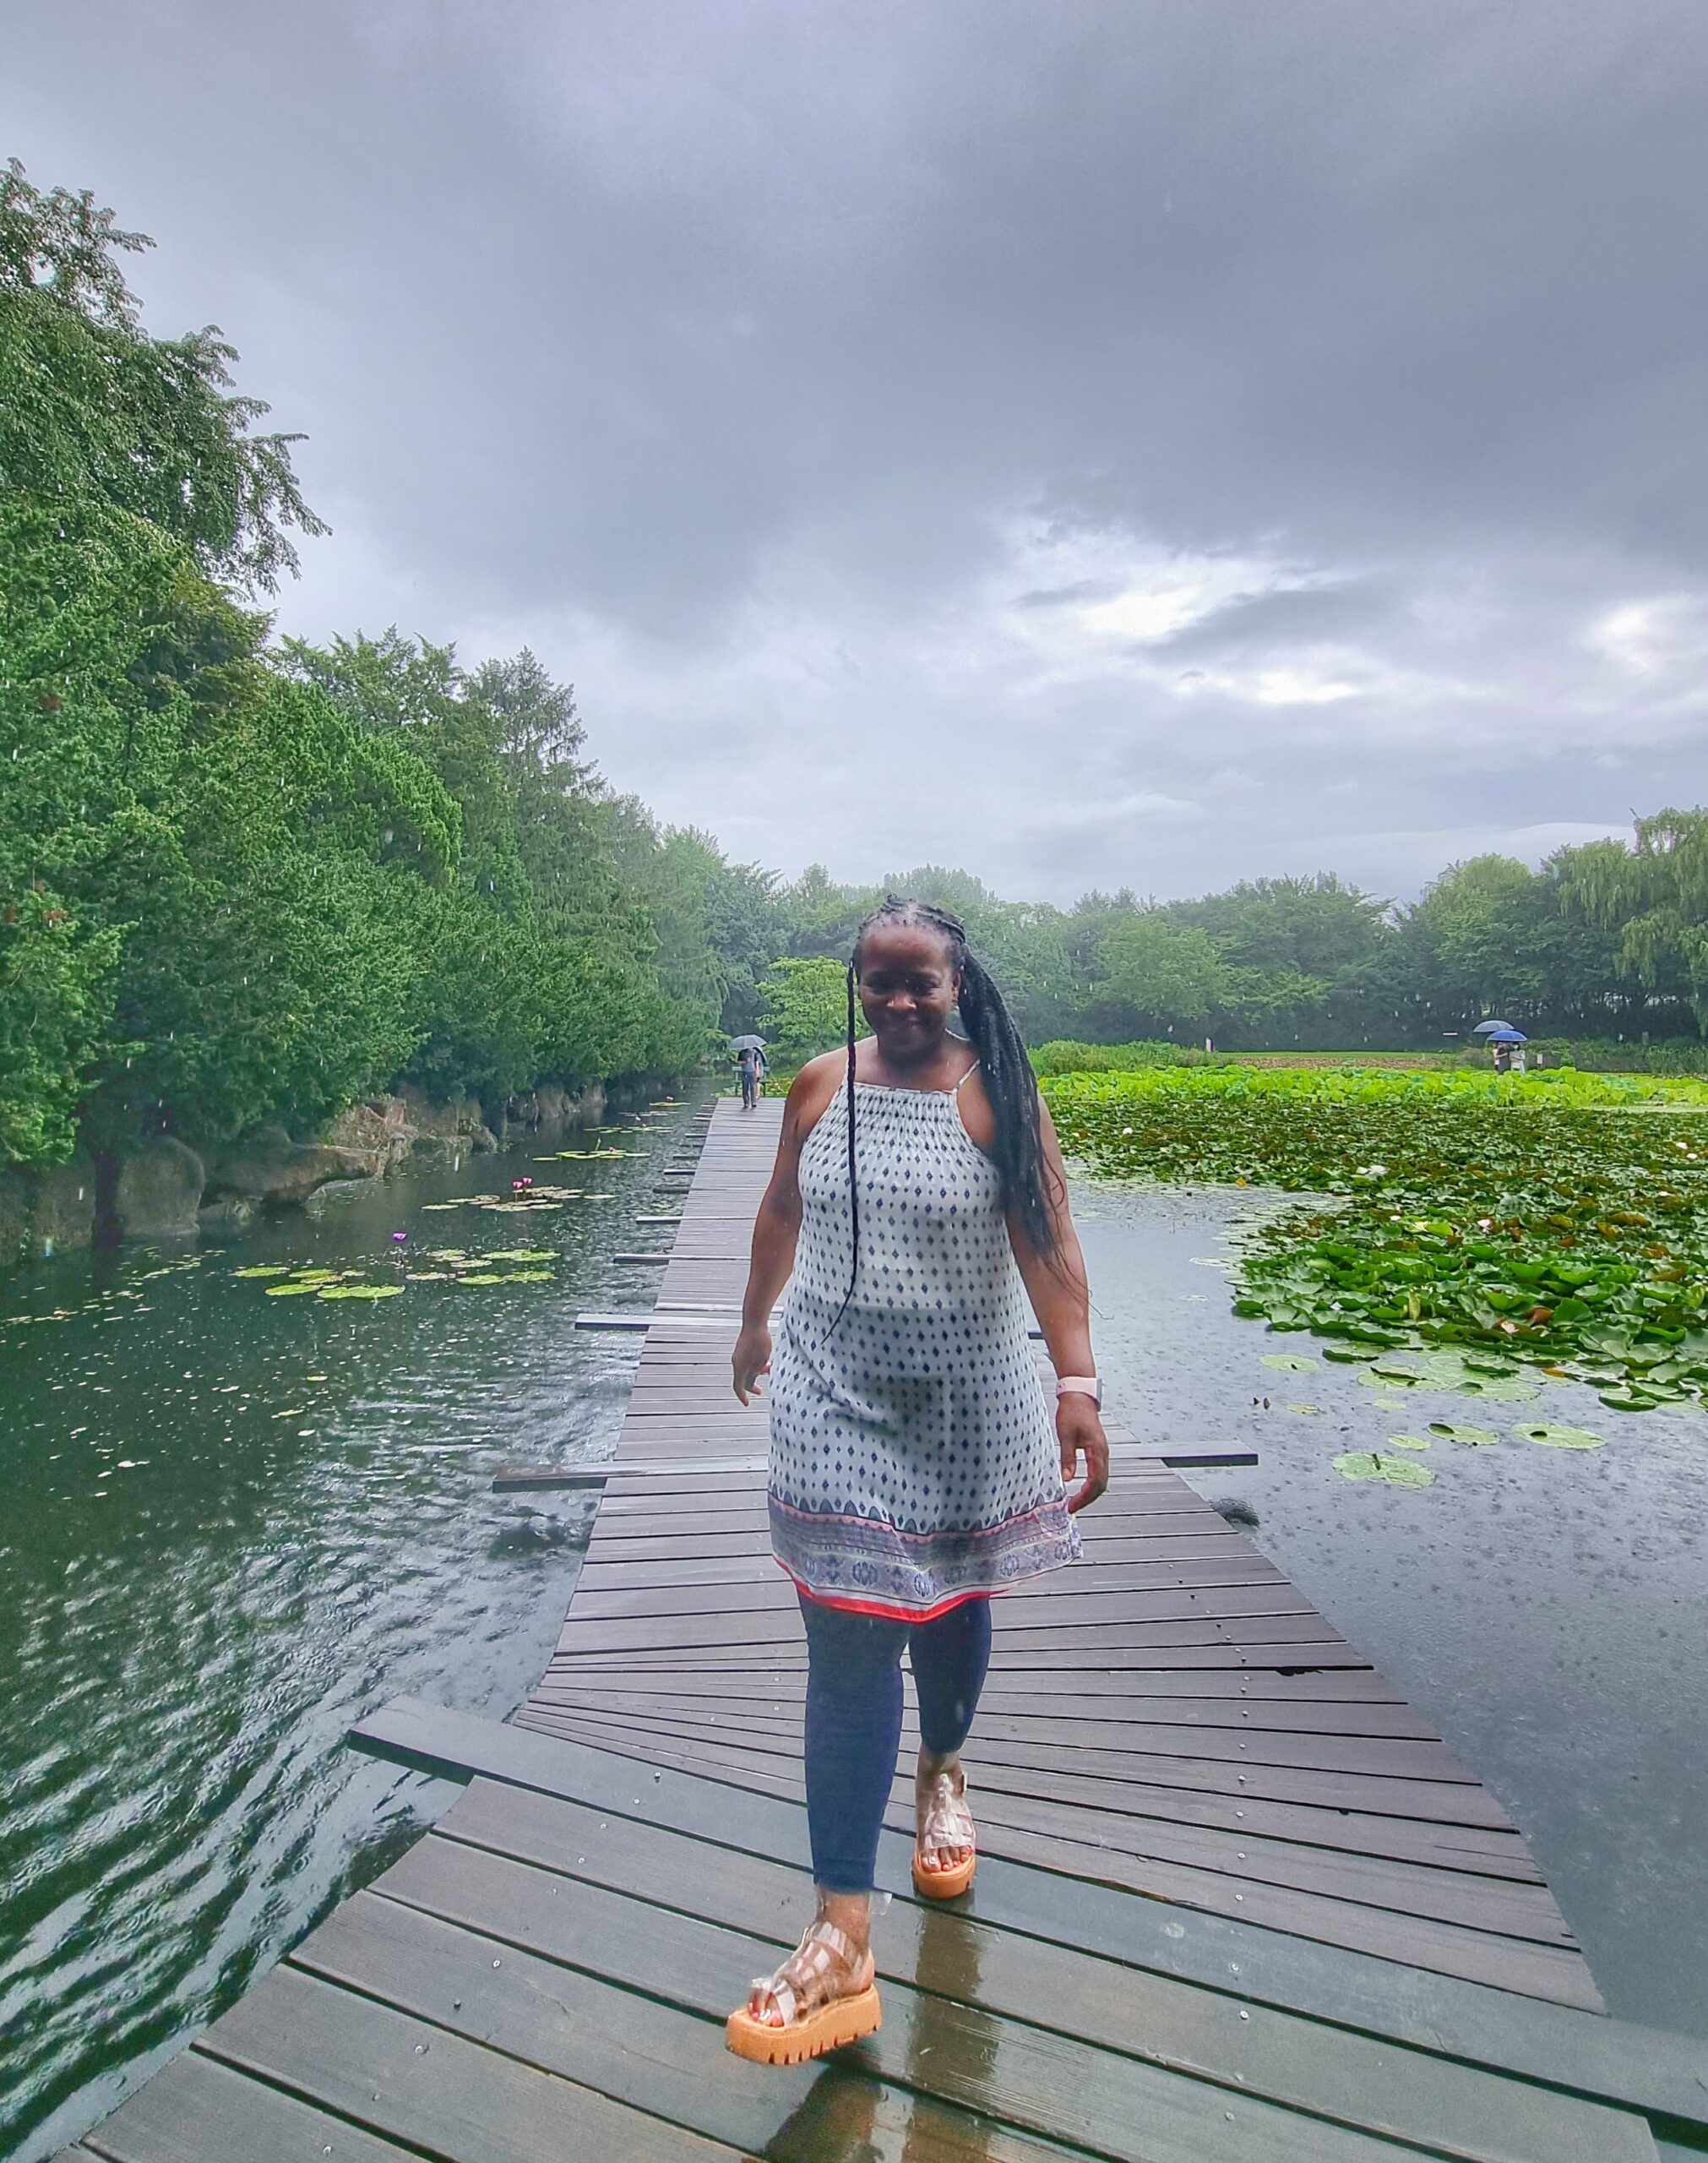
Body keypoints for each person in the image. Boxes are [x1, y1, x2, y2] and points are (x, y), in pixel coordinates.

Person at [724, 897, 1109, 2065]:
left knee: (947, 1604)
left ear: (956, 981)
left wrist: (1077, 1381)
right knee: (844, 1641)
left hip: (965, 1399)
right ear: (854, 981)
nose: (898, 1002)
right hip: (833, 1394)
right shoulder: (815, 1084)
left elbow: (1047, 1240)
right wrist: (752, 1324)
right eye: (878, 982)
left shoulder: (994, 1091)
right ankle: (841, 1934)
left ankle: (943, 1767)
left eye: (919, 983)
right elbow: (783, 1205)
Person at [736, 1040, 767, 1110]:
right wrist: (745, 1061)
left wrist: (757, 1071)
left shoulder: (754, 1052)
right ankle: (746, 1102)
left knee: (753, 1087)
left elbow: (757, 1062)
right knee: (745, 1088)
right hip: (744, 1071)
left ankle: (753, 1102)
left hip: (752, 1071)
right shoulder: (741, 1053)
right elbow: (739, 1062)